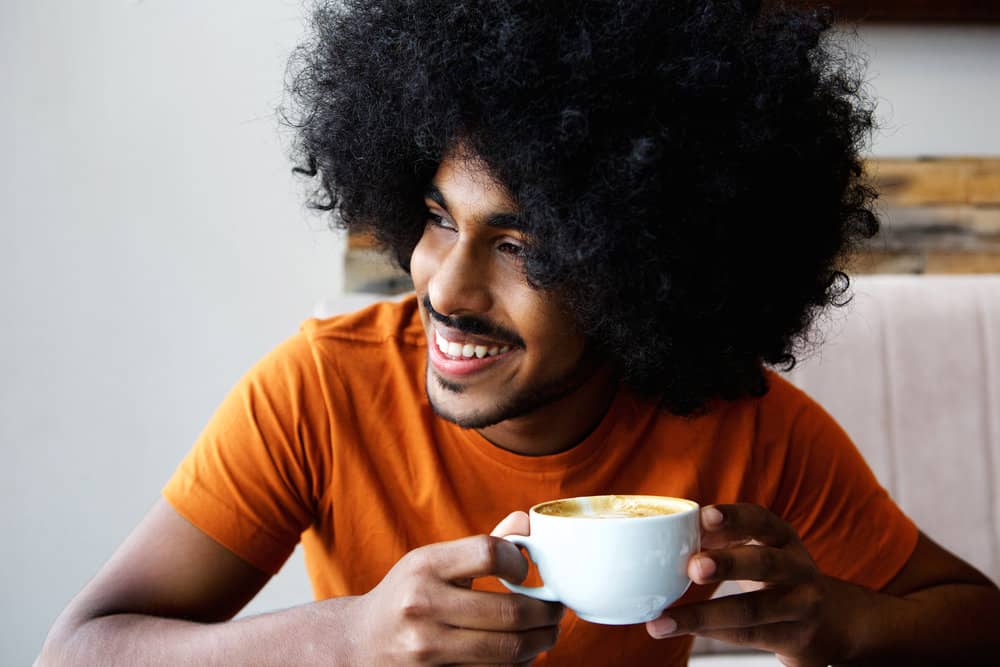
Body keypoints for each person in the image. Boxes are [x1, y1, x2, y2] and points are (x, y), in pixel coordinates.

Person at [39, 1, 1000, 665]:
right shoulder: (320, 389)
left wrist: (839, 622)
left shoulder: (742, 428)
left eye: (523, 245)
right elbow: (78, 647)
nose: (445, 287)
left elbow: (976, 621)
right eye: (438, 216)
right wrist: (346, 640)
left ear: (641, 268)